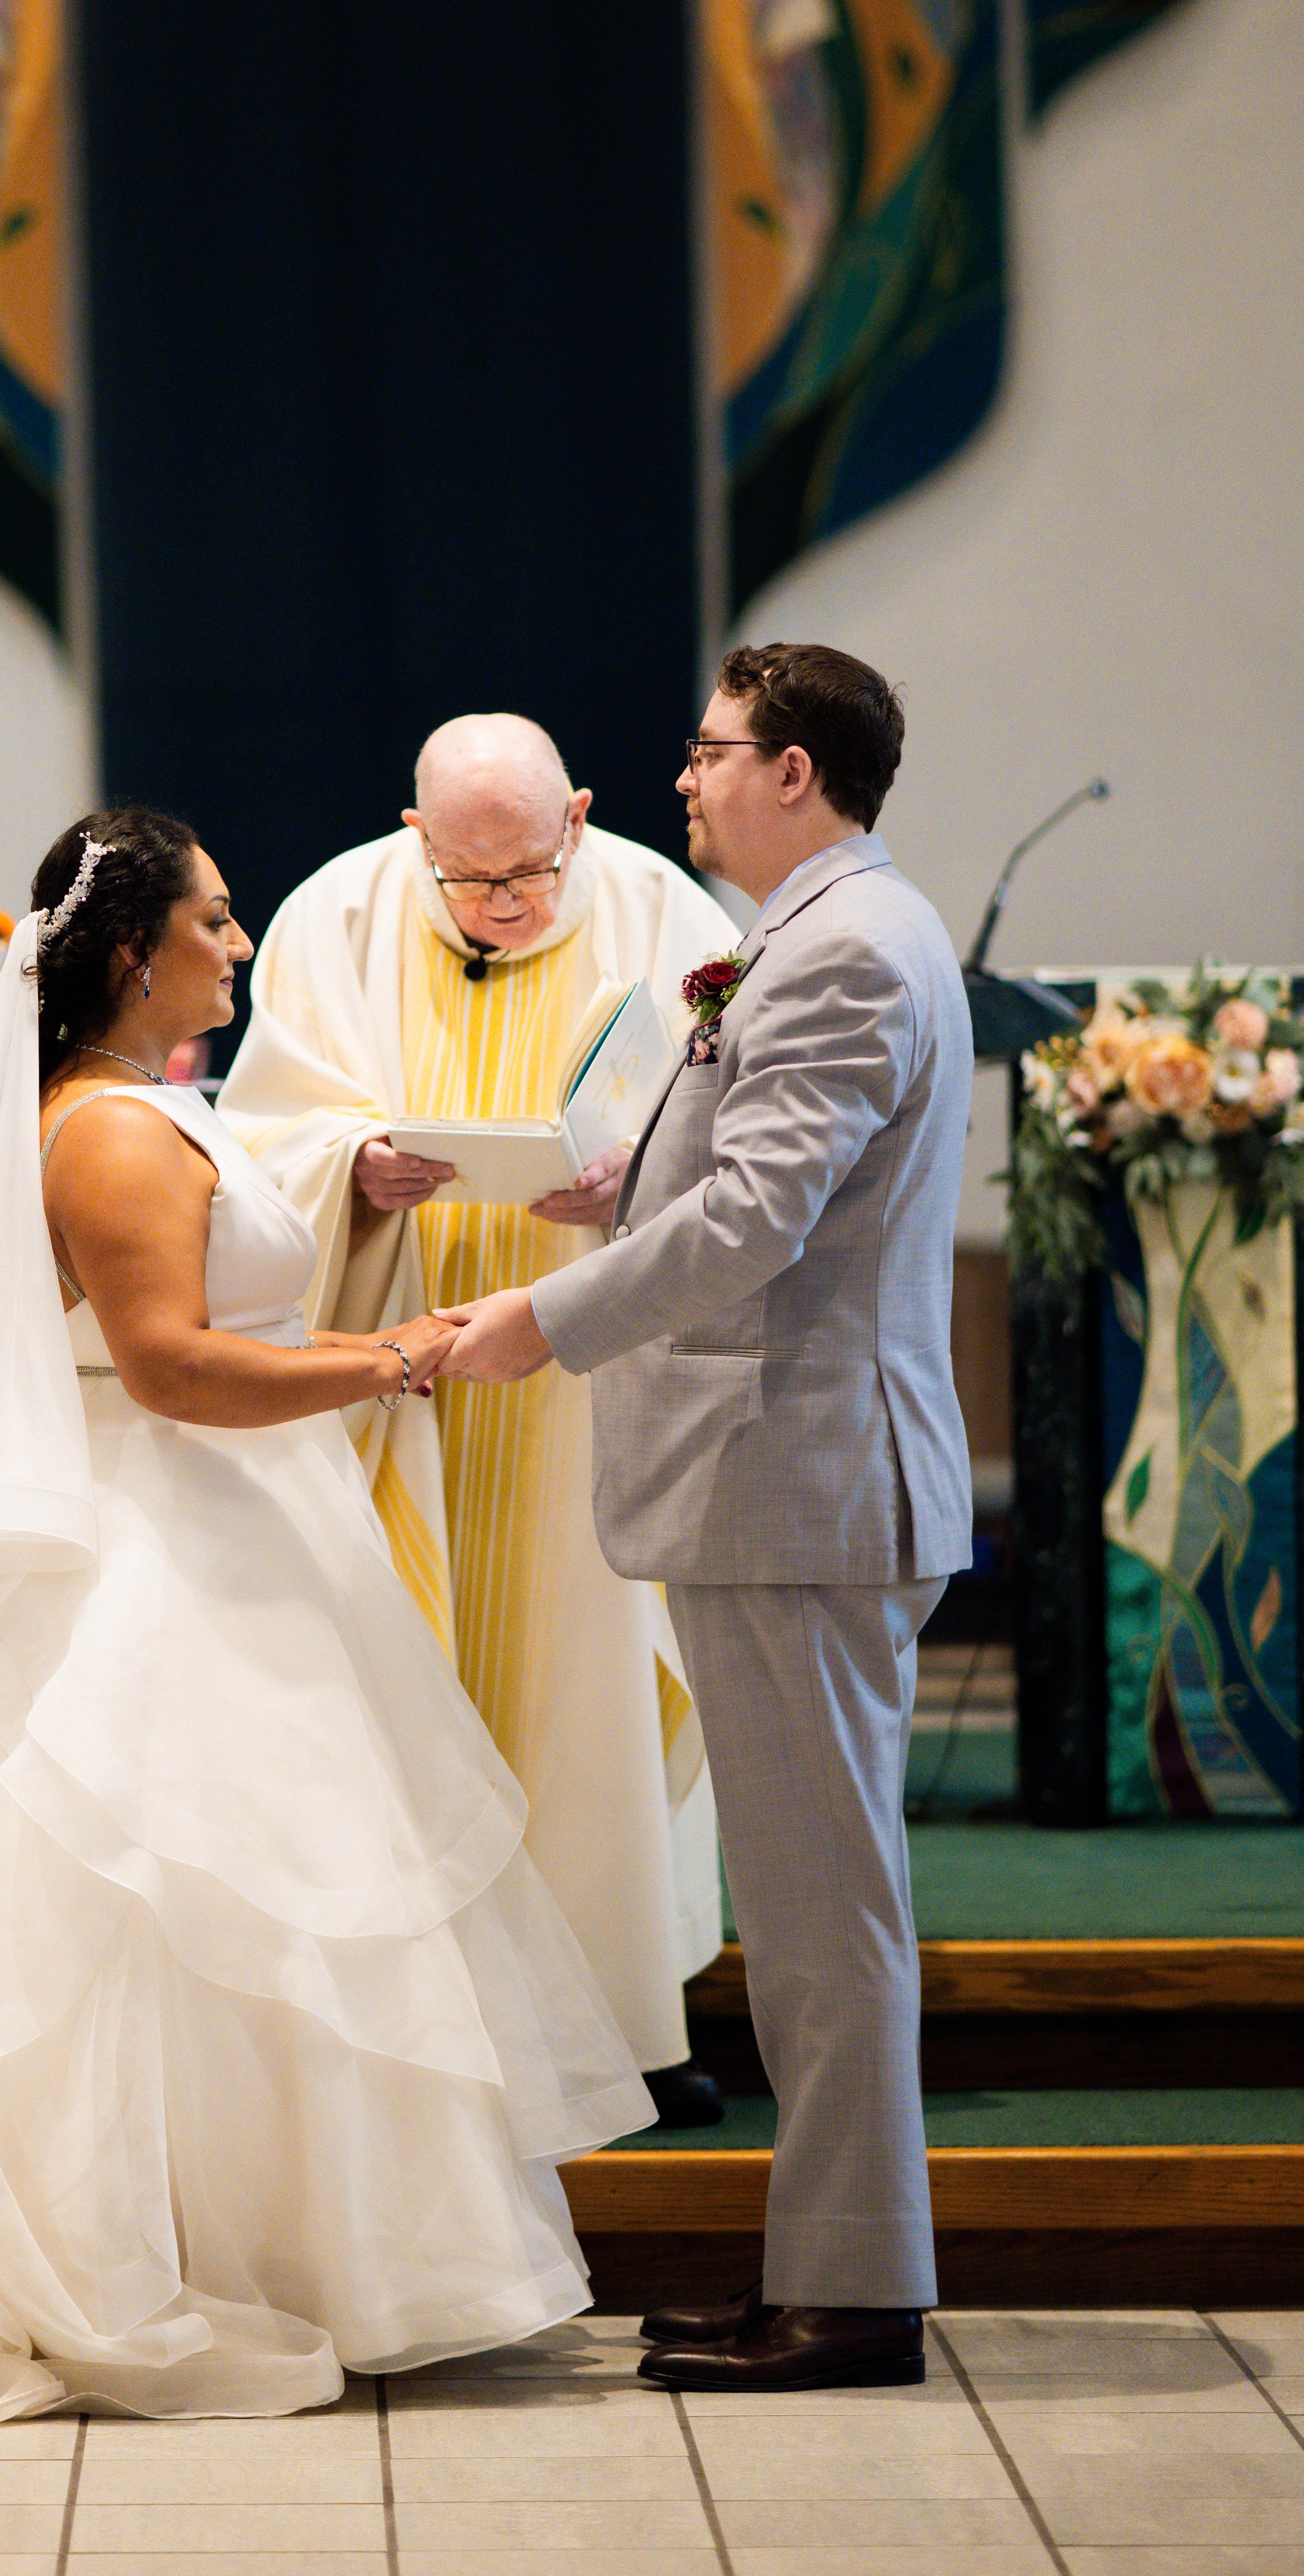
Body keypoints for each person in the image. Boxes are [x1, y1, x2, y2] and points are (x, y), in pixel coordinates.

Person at [0, 807, 651, 2427]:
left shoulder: (140, 1108)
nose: (243, 942)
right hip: (156, 1541)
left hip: (233, 1528)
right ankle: (140, 2250)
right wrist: (396, 1354)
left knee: (245, 1906)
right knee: (141, 1898)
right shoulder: (117, 1134)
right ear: (130, 953)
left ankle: (269, 2244)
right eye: (215, 920)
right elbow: (170, 1363)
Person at [440, 645, 973, 2394]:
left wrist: (546, 1314)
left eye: (711, 749)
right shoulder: (840, 930)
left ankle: (853, 2293)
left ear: (797, 769)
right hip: (793, 1482)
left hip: (802, 1484)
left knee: (828, 1918)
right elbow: (755, 1184)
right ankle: (823, 2271)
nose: (685, 777)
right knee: (819, 1912)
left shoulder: (840, 949)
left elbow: (759, 1221)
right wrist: (627, 1181)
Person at [216, 715, 736, 2115]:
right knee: (398, 1670)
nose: (505, 905)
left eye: (530, 870)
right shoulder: (334, 911)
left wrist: (632, 1172)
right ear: (413, 837)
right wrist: (357, 1162)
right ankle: (423, 2042)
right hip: (400, 1355)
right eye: (469, 879)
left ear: (577, 814)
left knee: (589, 1684)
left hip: (587, 1358)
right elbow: (262, 1131)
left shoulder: (663, 909)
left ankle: (614, 2022)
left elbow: (740, 1124)